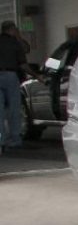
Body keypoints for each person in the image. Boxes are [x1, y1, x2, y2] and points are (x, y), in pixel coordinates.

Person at [0, 20, 31, 152]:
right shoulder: (14, 42)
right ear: (12, 29)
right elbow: (26, 49)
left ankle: (2, 140)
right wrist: (19, 37)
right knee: (14, 109)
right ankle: (15, 139)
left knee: (0, 111)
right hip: (11, 75)